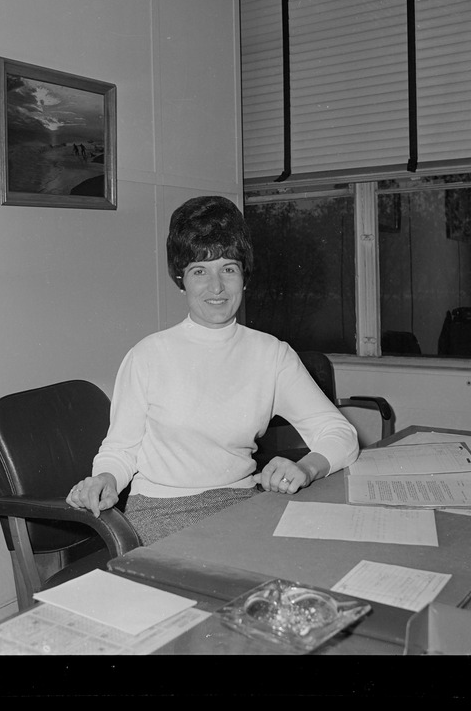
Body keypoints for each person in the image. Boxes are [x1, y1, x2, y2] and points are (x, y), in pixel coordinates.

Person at [66, 196, 359, 545]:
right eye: (199, 271)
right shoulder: (148, 355)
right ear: (181, 280)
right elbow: (120, 449)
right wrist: (105, 480)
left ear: (244, 277)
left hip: (244, 504)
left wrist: (307, 468)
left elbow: (340, 434)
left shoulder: (271, 354)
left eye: (228, 269)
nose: (216, 287)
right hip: (162, 512)